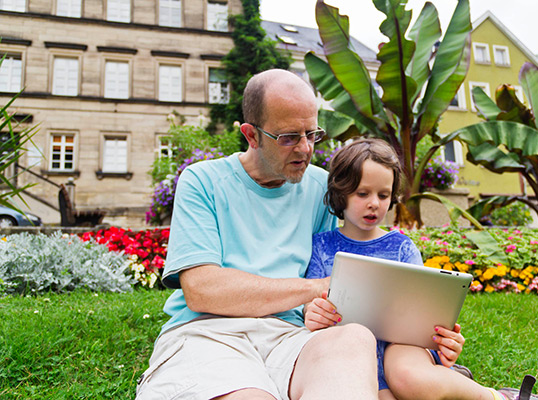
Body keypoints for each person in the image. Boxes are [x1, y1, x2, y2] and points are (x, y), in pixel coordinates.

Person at [135, 69, 380, 400]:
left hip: (290, 338)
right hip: (209, 334)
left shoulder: (321, 188)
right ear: (251, 135)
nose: (305, 149)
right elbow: (203, 290)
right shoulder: (202, 181)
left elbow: (321, 285)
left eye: (312, 134)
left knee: (354, 339)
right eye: (289, 137)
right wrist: (312, 289)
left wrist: (317, 307)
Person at [304, 138, 538, 400]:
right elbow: (311, 303)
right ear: (341, 193)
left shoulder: (401, 247)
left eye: (383, 195)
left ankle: (502, 398)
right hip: (353, 356)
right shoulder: (323, 246)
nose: (374, 203)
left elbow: (425, 312)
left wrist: (444, 339)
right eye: (363, 193)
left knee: (409, 378)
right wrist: (312, 312)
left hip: (405, 351)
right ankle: (448, 382)